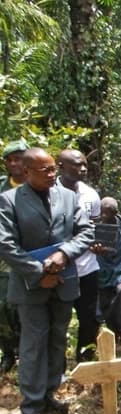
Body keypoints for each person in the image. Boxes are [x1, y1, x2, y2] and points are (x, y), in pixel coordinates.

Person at [0, 148, 95, 414]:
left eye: (54, 168)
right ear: (28, 172)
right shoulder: (9, 201)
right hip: (31, 286)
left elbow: (85, 232)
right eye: (46, 171)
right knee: (32, 343)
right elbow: (6, 245)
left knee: (57, 337)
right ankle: (31, 403)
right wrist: (40, 272)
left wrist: (64, 255)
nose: (53, 175)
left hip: (64, 280)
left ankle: (52, 391)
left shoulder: (67, 196)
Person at [57, 149, 103, 361]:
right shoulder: (48, 192)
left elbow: (96, 227)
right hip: (59, 269)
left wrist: (98, 244)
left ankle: (85, 361)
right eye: (76, 165)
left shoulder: (90, 195)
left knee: (90, 318)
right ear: (60, 166)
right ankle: (57, 367)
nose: (83, 169)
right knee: (58, 320)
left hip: (87, 268)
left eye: (85, 164)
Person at [0, 139, 27, 373]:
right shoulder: (1, 187)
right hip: (5, 254)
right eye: (11, 159)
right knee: (3, 306)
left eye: (19, 158)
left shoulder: (39, 184)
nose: (15, 163)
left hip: (32, 253)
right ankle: (8, 351)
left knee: (26, 306)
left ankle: (26, 351)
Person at [96, 197, 121, 341]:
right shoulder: (97, 227)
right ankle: (112, 332)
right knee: (105, 299)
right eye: (102, 213)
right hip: (103, 269)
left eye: (107, 213)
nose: (104, 216)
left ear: (115, 212)